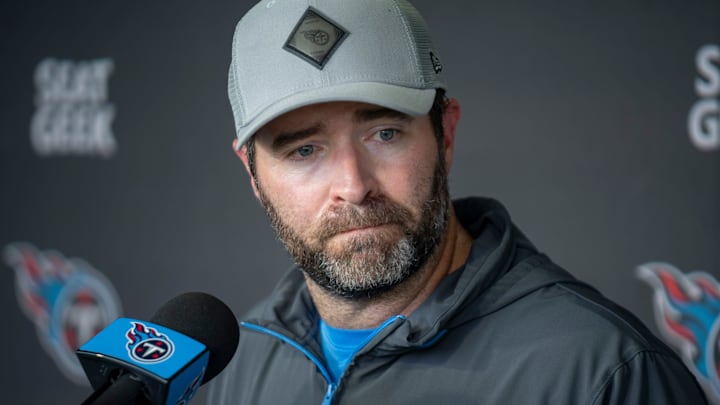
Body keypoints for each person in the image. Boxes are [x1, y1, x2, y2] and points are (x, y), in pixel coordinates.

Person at [208, 0, 708, 403]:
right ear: (252, 173)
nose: (353, 185)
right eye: (305, 150)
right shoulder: (241, 362)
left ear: (444, 134)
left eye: (384, 133)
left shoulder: (601, 372)